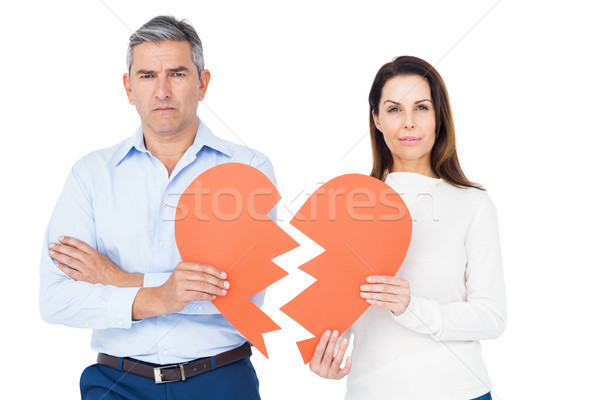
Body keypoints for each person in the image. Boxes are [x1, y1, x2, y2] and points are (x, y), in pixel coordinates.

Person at [39, 15, 275, 399]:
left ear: (203, 83)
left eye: (177, 74)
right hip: (116, 384)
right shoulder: (91, 175)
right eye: (147, 76)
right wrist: (162, 294)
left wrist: (117, 278)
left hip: (219, 380)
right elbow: (56, 300)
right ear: (128, 87)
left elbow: (243, 298)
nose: (162, 91)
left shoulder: (248, 169)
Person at [309, 56, 507, 400]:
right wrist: (327, 349)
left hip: (460, 392)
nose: (409, 123)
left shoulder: (472, 204)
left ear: (438, 117)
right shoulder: (349, 207)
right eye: (394, 109)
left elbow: (492, 317)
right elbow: (342, 309)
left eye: (422, 107)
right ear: (377, 119)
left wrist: (411, 307)